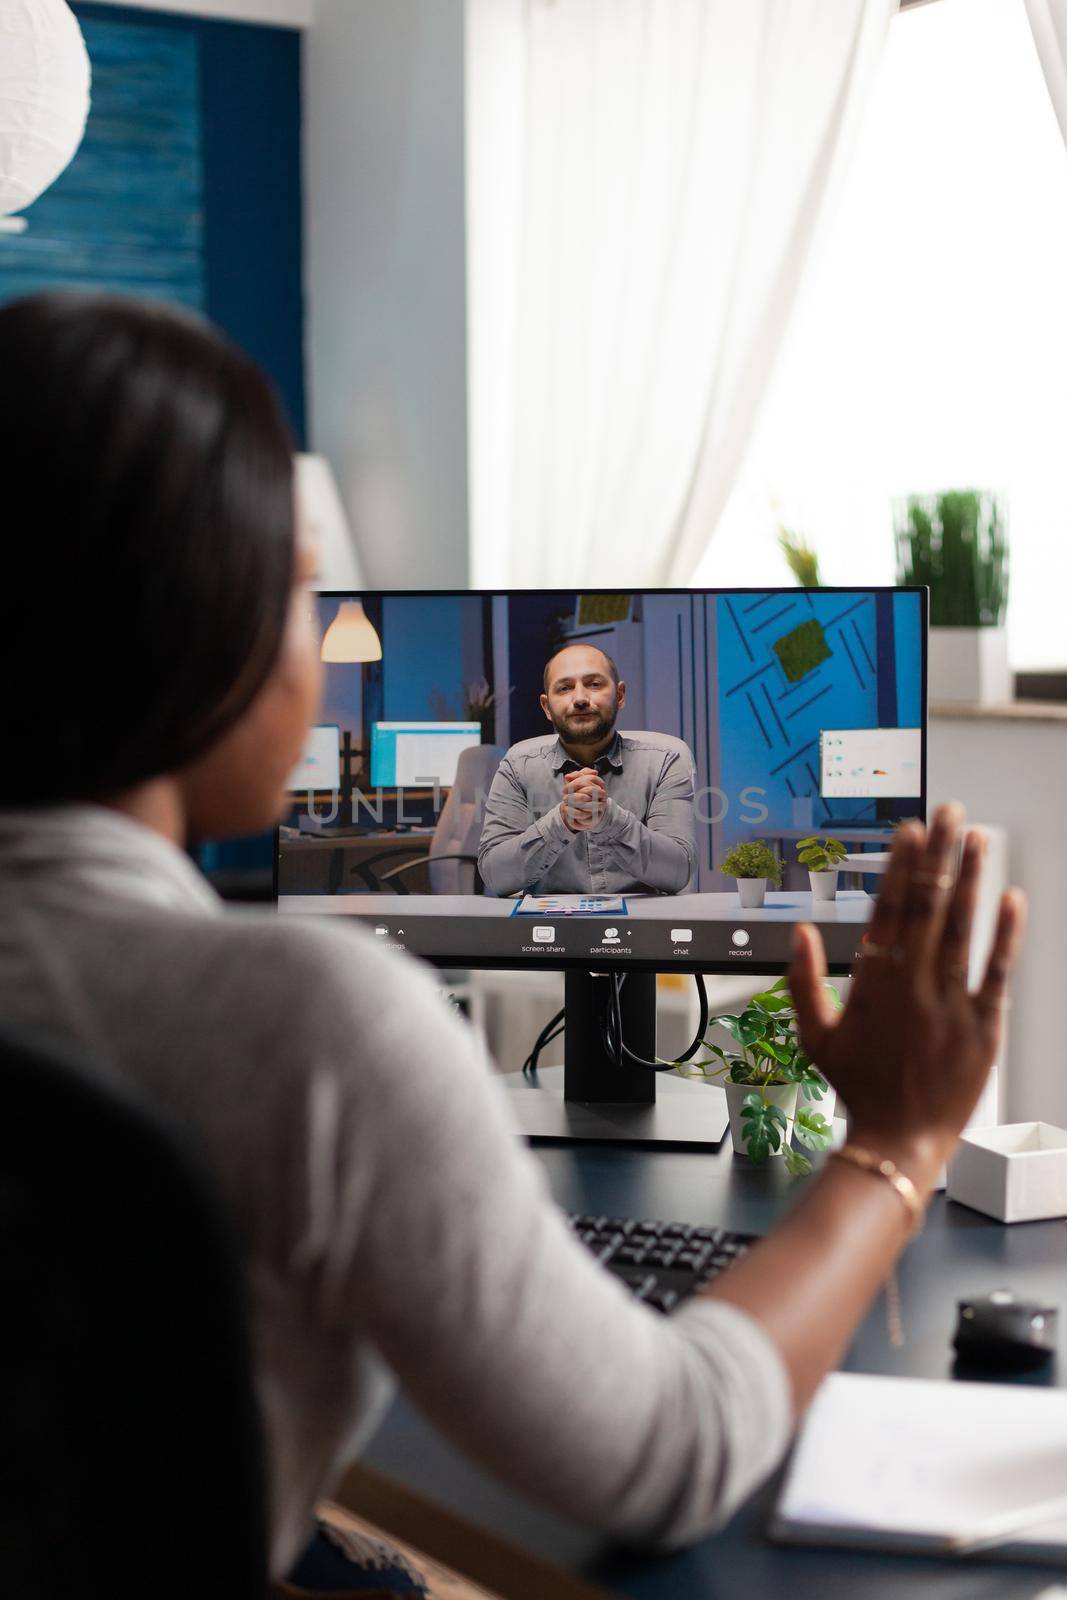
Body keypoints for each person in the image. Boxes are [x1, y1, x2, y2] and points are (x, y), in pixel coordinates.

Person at [0, 292, 1026, 1586]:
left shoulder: (653, 759)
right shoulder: (316, 1021)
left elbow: (662, 867)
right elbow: (669, 1451)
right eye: (302, 595)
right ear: (186, 620)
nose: (316, 657)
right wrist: (893, 1138)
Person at [478, 643, 697, 896]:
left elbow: (679, 873)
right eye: (565, 687)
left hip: (640, 928)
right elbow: (496, 876)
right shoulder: (518, 765)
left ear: (620, 695)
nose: (580, 698)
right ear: (547, 707)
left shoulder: (665, 761)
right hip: (549, 930)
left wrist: (609, 819)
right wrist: (561, 822)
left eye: (594, 684)